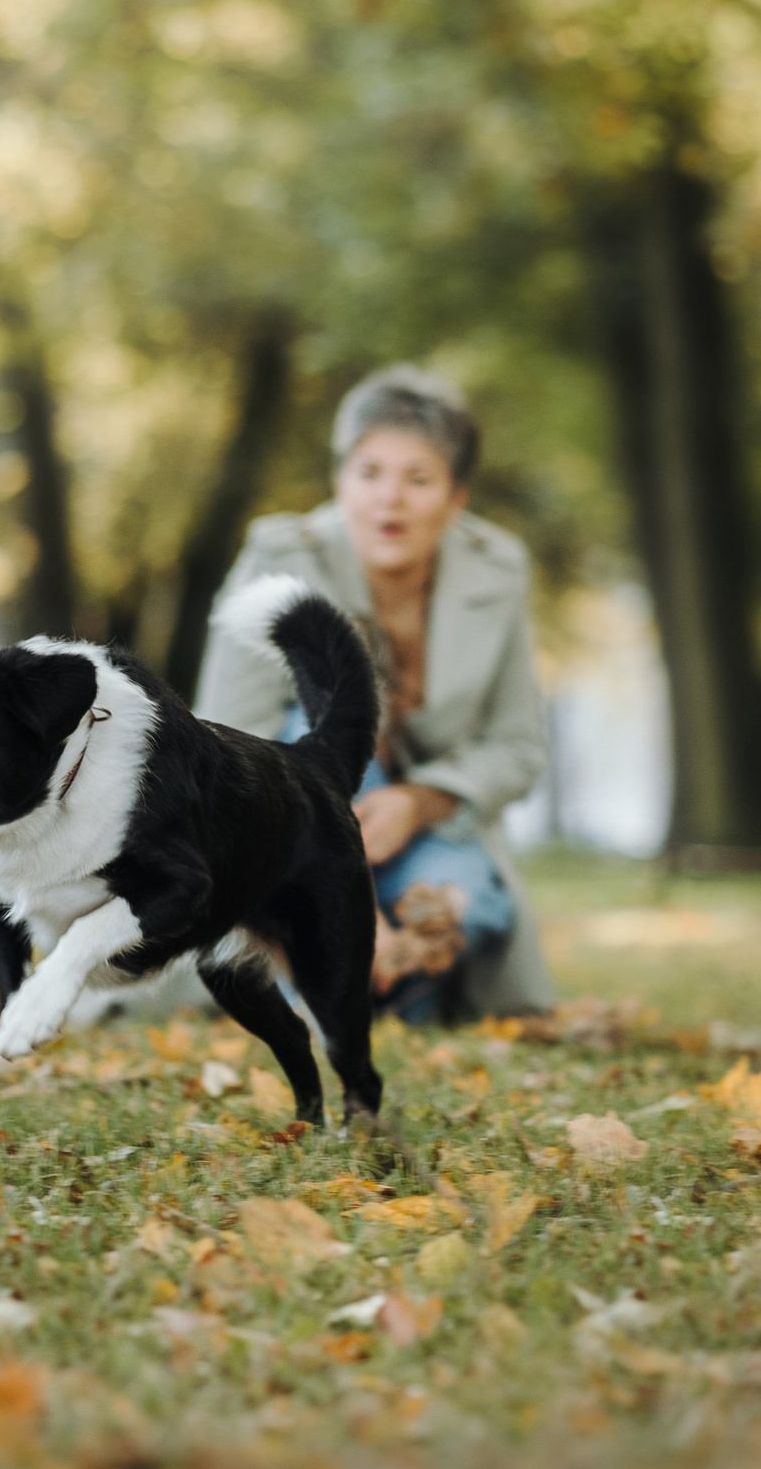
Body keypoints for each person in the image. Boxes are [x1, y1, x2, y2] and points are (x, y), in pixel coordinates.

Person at [193, 365, 554, 1022]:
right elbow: (221, 752)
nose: (389, 499)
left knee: (467, 896)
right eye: (369, 473)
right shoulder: (279, 557)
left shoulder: (498, 570)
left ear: (456, 497)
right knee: (314, 704)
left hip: (433, 828)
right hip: (290, 834)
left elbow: (518, 746)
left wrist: (420, 800)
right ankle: (335, 953)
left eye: (418, 479)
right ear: (339, 480)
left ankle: (374, 977)